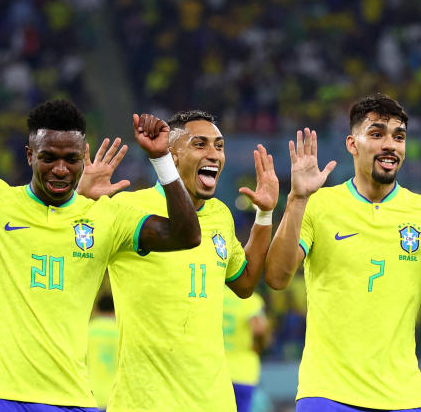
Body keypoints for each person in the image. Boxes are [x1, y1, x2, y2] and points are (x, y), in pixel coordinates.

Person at [0, 96, 201, 412]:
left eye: (71, 159)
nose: (60, 169)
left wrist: (162, 160)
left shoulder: (106, 217)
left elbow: (187, 235)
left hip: (71, 399)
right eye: (48, 157)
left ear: (84, 157)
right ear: (30, 155)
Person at [264, 93, 421, 412]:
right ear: (352, 144)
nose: (390, 145)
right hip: (329, 394)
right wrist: (297, 199)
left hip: (405, 398)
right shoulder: (319, 206)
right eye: (377, 134)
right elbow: (276, 276)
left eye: (399, 137)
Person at [76, 110, 279, 411]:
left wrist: (264, 215)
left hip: (215, 402)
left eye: (219, 146)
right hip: (145, 402)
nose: (214, 154)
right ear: (171, 155)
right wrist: (79, 201)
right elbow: (69, 255)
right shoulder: (128, 208)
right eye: (200, 144)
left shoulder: (220, 214)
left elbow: (246, 283)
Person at [223, 288, 270, 412]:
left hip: (215, 371)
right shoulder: (252, 300)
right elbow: (259, 330)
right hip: (243, 373)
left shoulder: (213, 294)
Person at [87, 295, 119, 411]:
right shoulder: (121, 332)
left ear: (96, 309)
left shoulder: (88, 330)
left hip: (91, 395)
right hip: (116, 397)